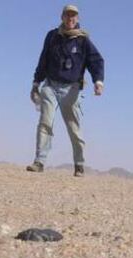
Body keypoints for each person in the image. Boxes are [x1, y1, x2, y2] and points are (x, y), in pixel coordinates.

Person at [27, 4, 104, 177]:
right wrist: (35, 83)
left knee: (74, 128)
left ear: (77, 19)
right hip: (51, 86)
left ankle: (79, 164)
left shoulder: (83, 40)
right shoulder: (52, 36)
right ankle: (39, 161)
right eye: (67, 15)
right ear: (62, 17)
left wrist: (98, 82)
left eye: (73, 16)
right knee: (45, 121)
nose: (70, 19)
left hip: (72, 89)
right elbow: (43, 60)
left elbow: (96, 61)